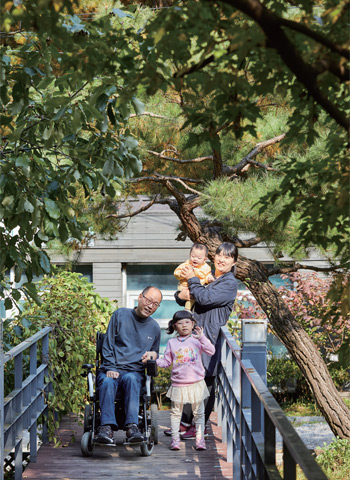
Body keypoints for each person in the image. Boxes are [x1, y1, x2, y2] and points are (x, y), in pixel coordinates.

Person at [165, 242, 238, 439]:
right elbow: (187, 296)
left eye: (228, 256)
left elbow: (204, 298)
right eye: (220, 255)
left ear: (234, 261)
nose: (222, 259)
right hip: (198, 336)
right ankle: (185, 423)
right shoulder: (211, 278)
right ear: (214, 257)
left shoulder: (229, 283)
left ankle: (199, 427)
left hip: (210, 338)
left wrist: (193, 279)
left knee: (206, 381)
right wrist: (181, 294)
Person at [95, 286, 162, 444]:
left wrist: (154, 355)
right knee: (106, 381)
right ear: (140, 297)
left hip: (134, 372)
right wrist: (110, 367)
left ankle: (132, 427)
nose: (151, 306)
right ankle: (106, 428)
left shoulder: (155, 328)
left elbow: (154, 354)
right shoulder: (120, 315)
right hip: (112, 369)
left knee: (132, 379)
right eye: (149, 300)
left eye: (156, 304)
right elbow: (108, 344)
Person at [156, 310, 215, 451]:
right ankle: (175, 440)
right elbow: (166, 361)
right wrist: (154, 361)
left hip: (196, 383)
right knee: (176, 413)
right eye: (180, 323)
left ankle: (200, 440)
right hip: (178, 384)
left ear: (193, 324)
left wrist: (202, 338)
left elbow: (211, 351)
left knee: (199, 413)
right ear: (174, 326)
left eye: (187, 322)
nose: (184, 325)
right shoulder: (171, 343)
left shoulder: (197, 340)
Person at [174, 243, 214, 311]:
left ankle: (187, 309)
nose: (195, 259)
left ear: (205, 259)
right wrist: (181, 274)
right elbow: (176, 272)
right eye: (193, 256)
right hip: (184, 286)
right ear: (190, 255)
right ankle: (187, 310)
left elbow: (206, 277)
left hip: (198, 288)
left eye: (199, 258)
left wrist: (209, 279)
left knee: (193, 298)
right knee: (188, 296)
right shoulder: (186, 264)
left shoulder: (206, 268)